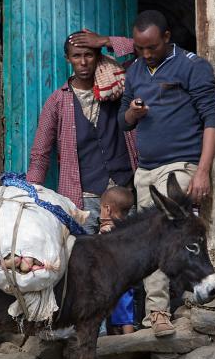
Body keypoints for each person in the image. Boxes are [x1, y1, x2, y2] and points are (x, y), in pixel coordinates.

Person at [119, 10, 215, 337]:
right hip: (146, 169)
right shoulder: (134, 71)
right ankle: (158, 309)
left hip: (180, 167)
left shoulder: (192, 66)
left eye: (152, 47)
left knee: (165, 233)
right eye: (140, 48)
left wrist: (202, 171)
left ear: (166, 37)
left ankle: (159, 312)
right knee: (150, 241)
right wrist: (133, 114)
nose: (146, 54)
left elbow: (212, 120)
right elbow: (123, 122)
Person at [27, 30, 138, 233]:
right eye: (77, 56)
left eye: (89, 55)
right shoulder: (57, 102)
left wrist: (105, 40)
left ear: (98, 56)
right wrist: (30, 195)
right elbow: (40, 154)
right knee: (86, 256)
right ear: (68, 58)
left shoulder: (118, 86)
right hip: (84, 200)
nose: (84, 62)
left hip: (124, 194)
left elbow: (144, 48)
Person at [98, 186, 136, 335]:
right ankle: (129, 338)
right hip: (126, 277)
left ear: (107, 209)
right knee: (126, 309)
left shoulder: (107, 229)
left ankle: (101, 337)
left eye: (101, 209)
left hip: (107, 279)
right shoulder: (128, 229)